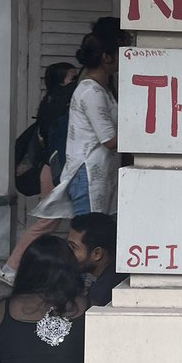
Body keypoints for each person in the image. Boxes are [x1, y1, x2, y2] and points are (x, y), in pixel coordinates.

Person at [0, 62, 78, 287]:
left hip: (51, 169)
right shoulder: (59, 101)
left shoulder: (51, 101)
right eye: (73, 77)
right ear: (62, 81)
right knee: (46, 223)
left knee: (50, 223)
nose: (77, 81)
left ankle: (29, 269)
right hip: (51, 170)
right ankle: (11, 267)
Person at [31, 29, 122, 221]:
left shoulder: (101, 89)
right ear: (106, 57)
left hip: (99, 173)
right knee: (87, 235)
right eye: (120, 52)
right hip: (89, 174)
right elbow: (110, 141)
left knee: (93, 234)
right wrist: (146, 136)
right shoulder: (92, 92)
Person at [68, 213, 124, 307]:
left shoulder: (100, 295)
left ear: (97, 254)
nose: (67, 252)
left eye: (73, 247)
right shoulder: (115, 278)